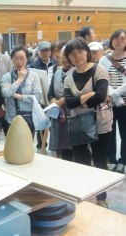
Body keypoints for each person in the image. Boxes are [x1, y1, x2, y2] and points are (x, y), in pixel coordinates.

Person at [64, 37, 113, 208]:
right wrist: (86, 97)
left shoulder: (99, 70)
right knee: (80, 160)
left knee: (99, 161)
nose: (77, 56)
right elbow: (68, 103)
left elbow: (100, 96)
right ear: (68, 57)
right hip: (79, 125)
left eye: (80, 51)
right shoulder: (68, 78)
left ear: (86, 51)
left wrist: (79, 101)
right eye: (72, 54)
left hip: (101, 123)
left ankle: (101, 197)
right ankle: (84, 195)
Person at [99, 29, 126, 173]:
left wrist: (116, 93)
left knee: (125, 132)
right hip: (109, 101)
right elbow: (103, 80)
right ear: (111, 41)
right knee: (110, 130)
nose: (119, 41)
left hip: (124, 103)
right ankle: (111, 159)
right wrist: (113, 95)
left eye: (122, 38)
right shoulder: (104, 59)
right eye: (116, 38)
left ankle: (123, 160)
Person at [1, 45, 42, 136]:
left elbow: (37, 97)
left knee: (27, 148)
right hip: (11, 119)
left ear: (27, 59)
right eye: (16, 58)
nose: (19, 62)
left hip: (29, 118)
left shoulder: (34, 76)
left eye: (22, 58)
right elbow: (5, 93)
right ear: (12, 59)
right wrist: (19, 80)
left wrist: (17, 96)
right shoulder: (7, 77)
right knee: (12, 148)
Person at [48, 44, 75, 161]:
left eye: (68, 56)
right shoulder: (57, 73)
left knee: (76, 150)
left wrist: (61, 104)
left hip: (74, 115)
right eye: (63, 55)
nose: (64, 59)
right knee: (62, 149)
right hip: (59, 116)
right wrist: (58, 110)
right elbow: (50, 95)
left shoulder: (77, 73)